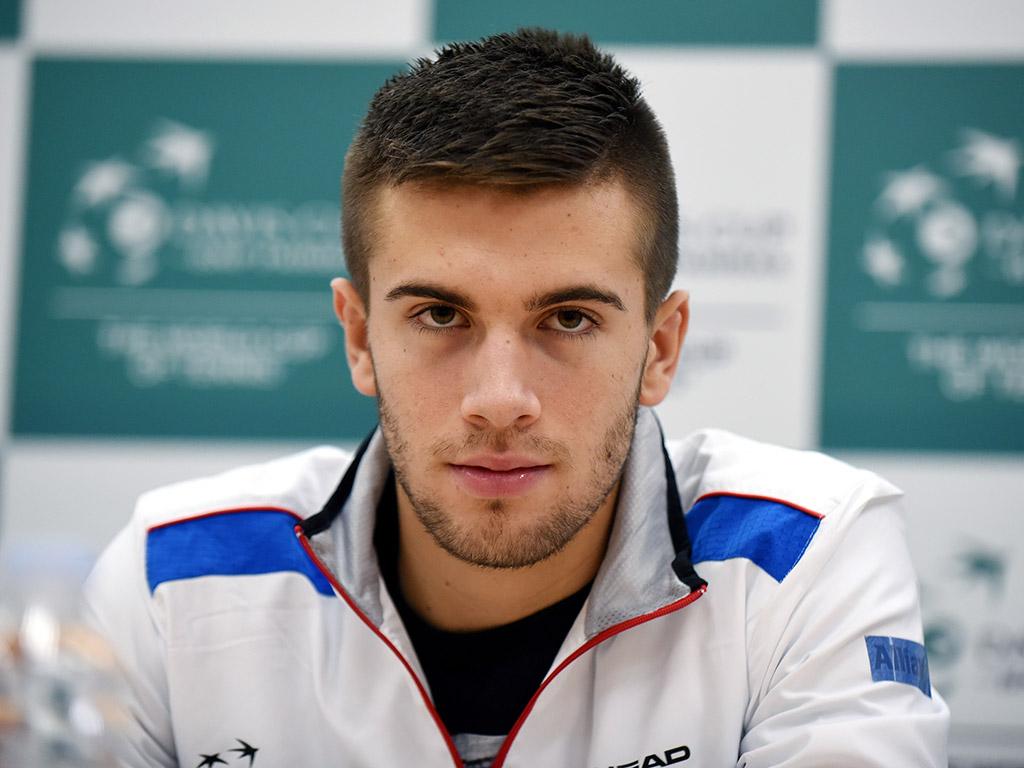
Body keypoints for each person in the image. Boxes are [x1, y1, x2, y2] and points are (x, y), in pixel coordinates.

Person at [84, 28, 949, 767]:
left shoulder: (802, 558)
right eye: (438, 314)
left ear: (660, 346)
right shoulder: (174, 578)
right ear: (358, 337)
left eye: (567, 319)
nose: (499, 401)